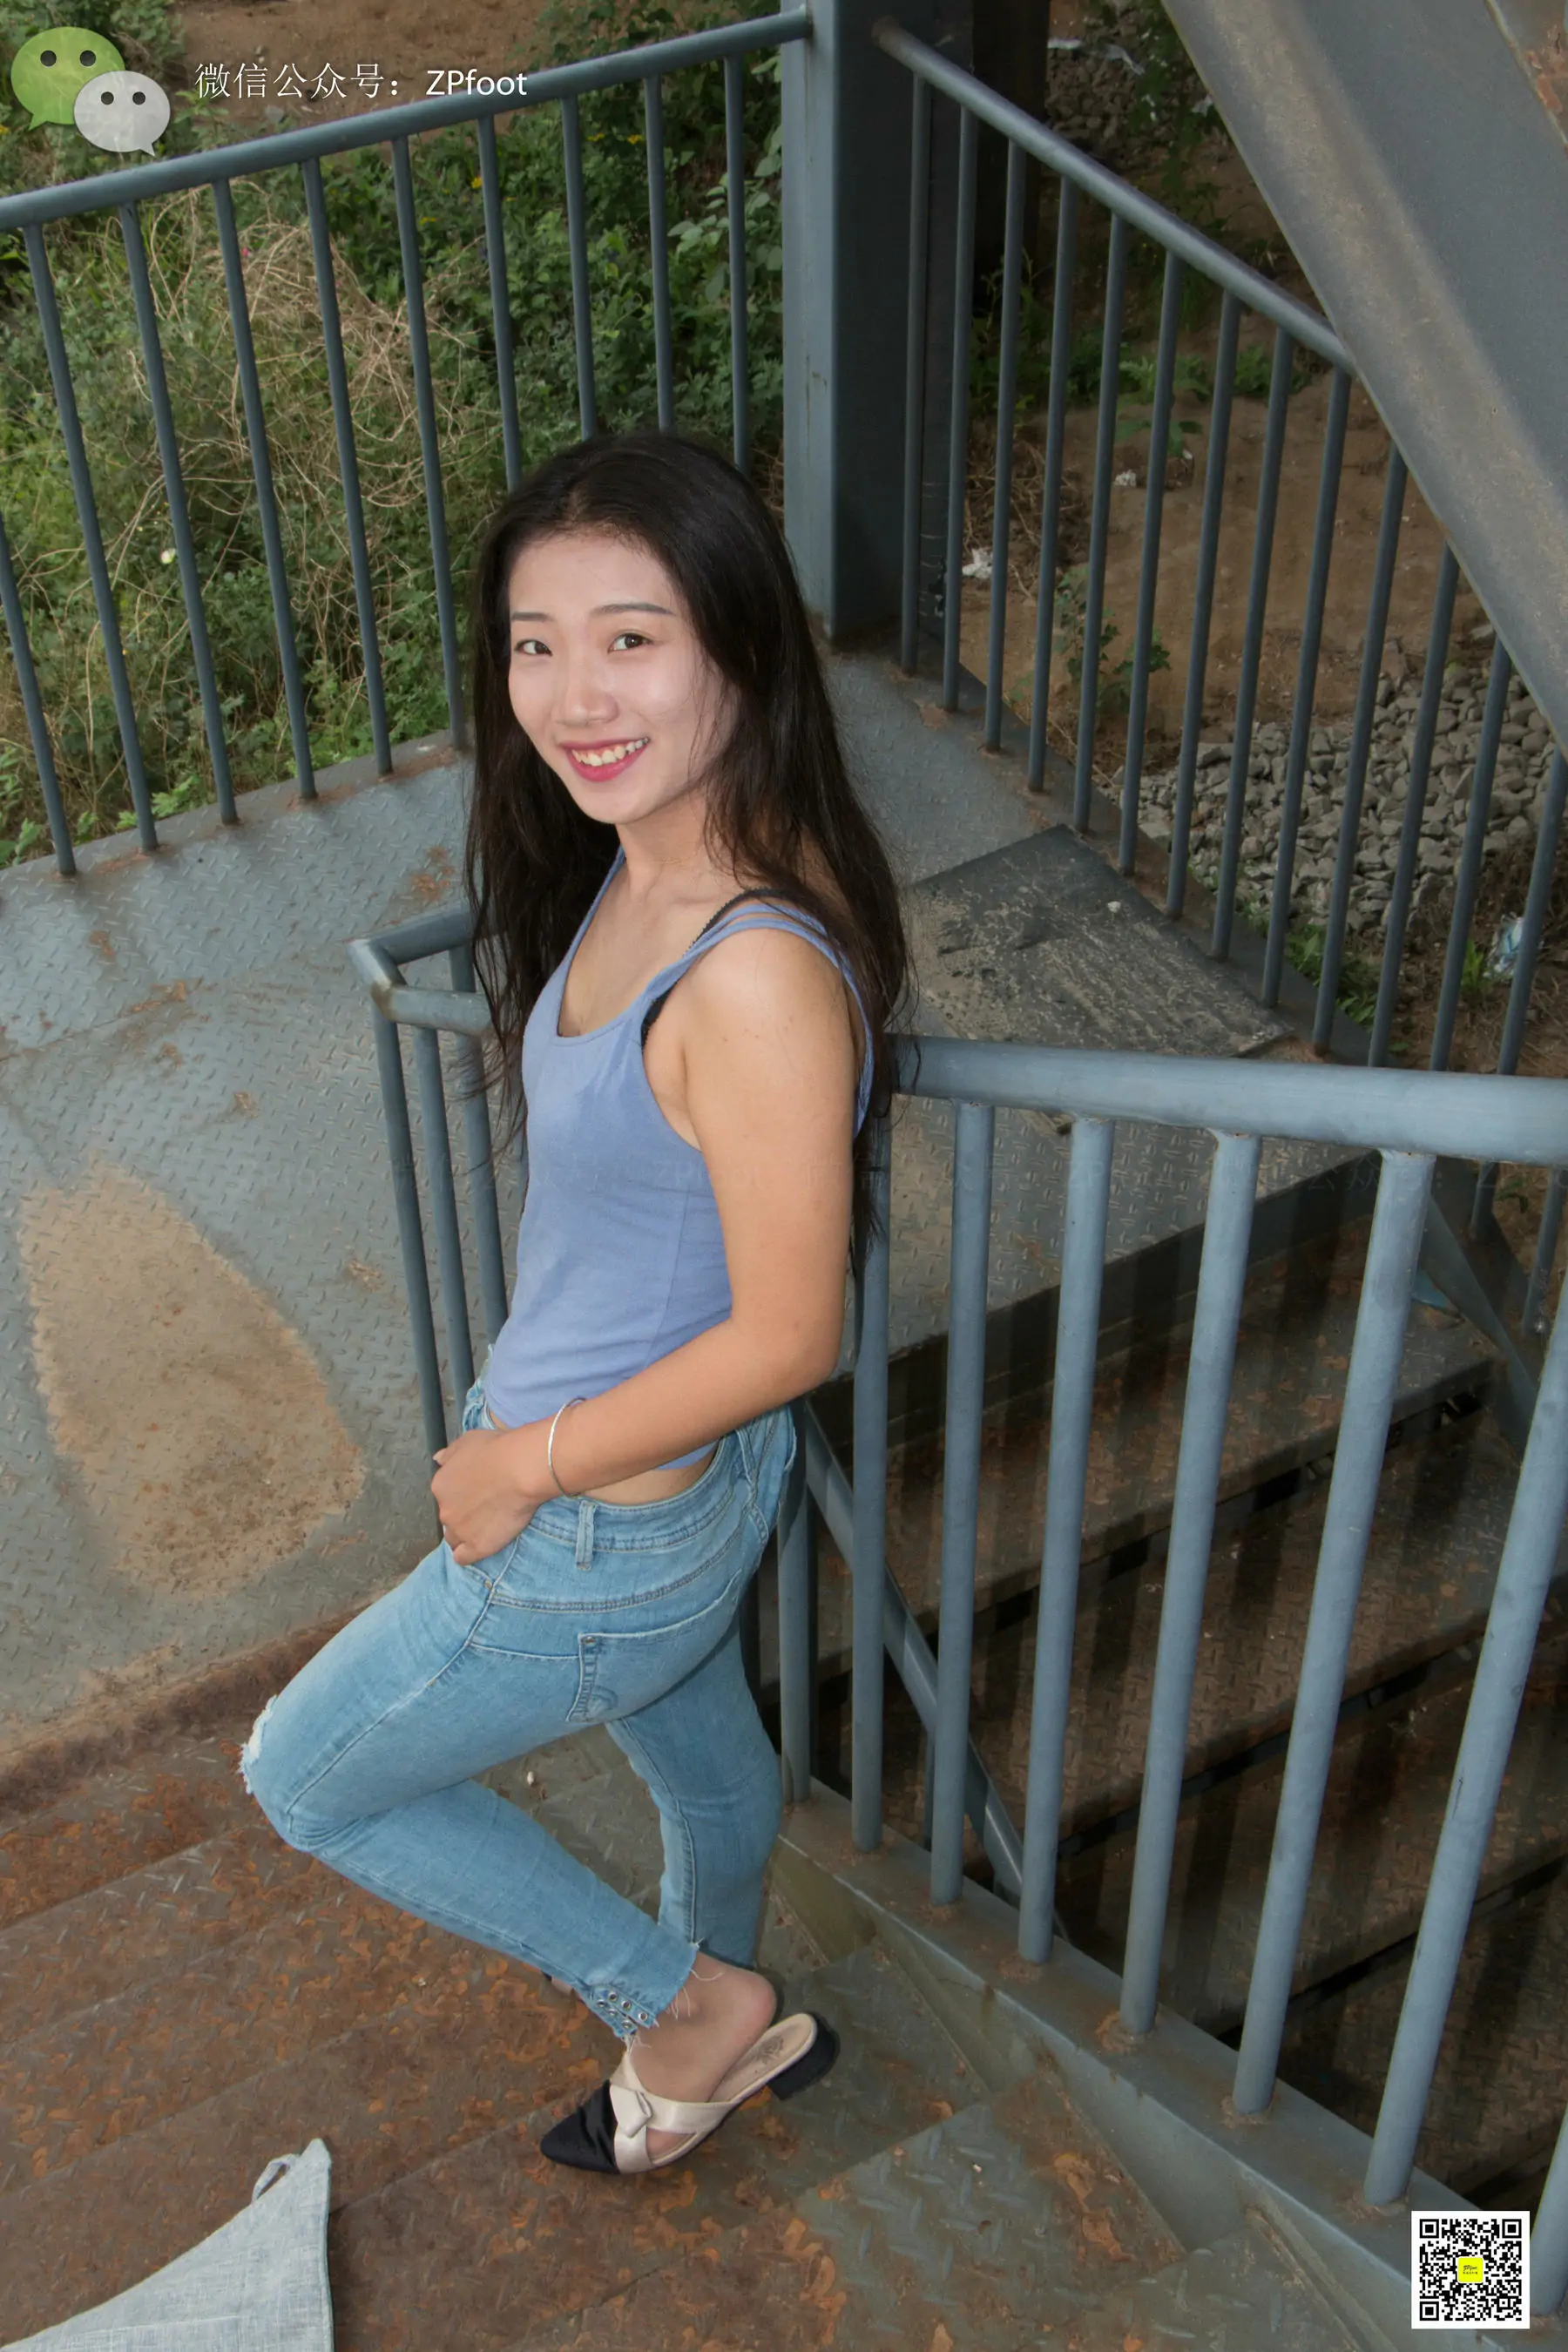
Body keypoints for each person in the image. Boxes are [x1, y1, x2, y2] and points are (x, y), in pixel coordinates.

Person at [241, 428, 909, 2177]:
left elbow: (793, 1333)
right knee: (710, 1774)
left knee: (304, 1777)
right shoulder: (653, 844)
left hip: (596, 1517)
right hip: (673, 1470)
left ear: (739, 646)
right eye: (536, 644)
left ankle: (680, 2004)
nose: (571, 695)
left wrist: (520, 1462)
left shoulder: (751, 973)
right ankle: (708, 2049)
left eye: (631, 638)